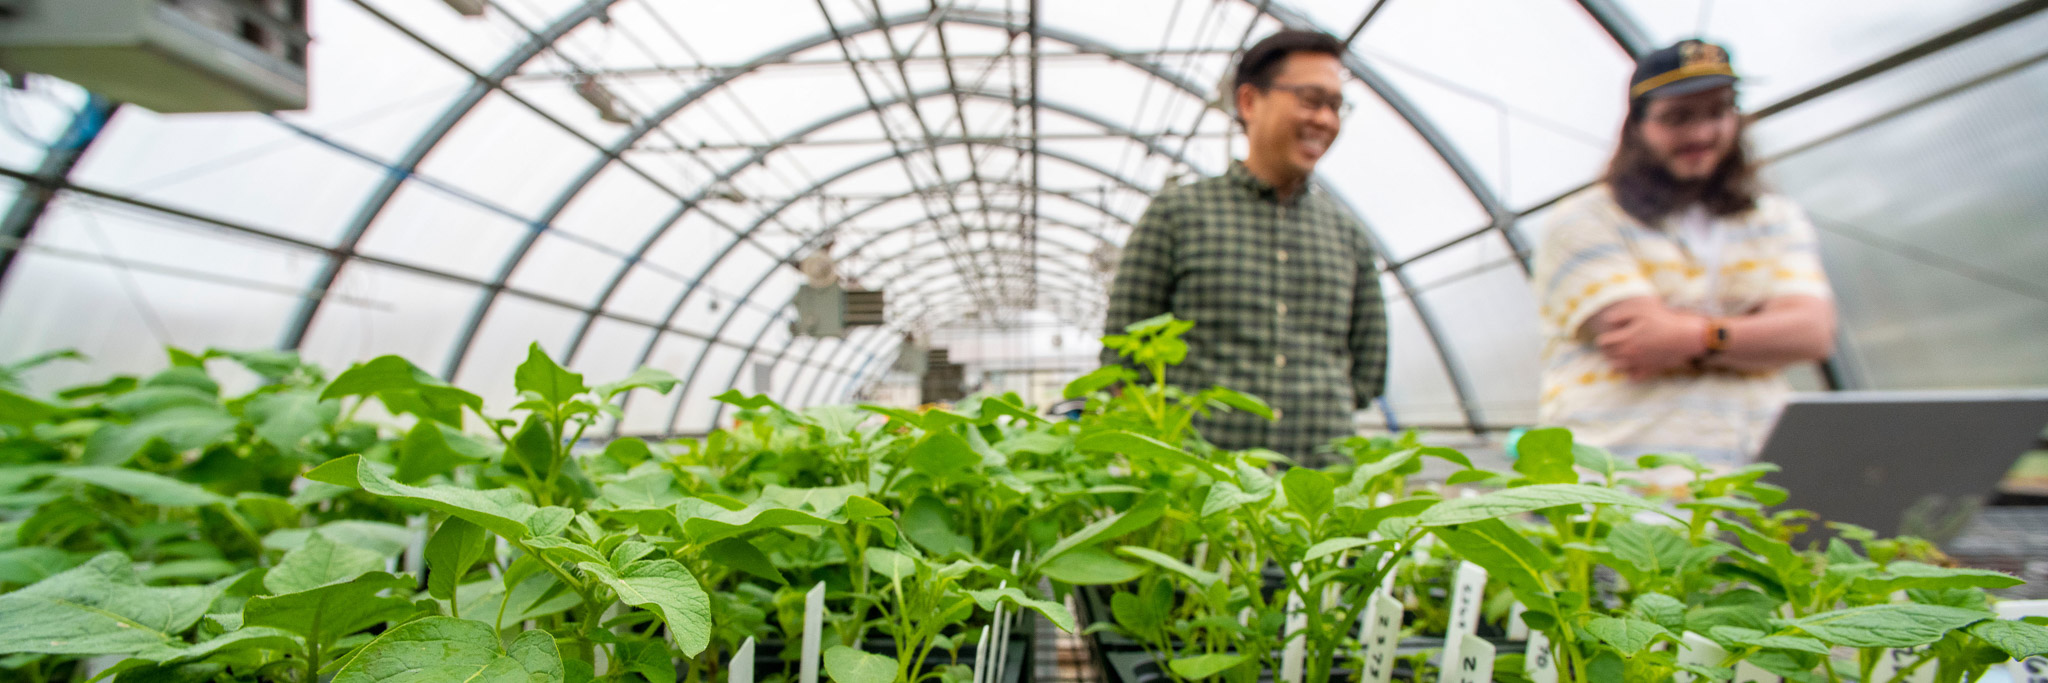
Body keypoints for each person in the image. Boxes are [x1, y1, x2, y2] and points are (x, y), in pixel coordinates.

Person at [1533, 39, 1838, 469]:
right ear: (1637, 126)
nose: (1701, 133)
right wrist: (1755, 332)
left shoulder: (1774, 217)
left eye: (1718, 112)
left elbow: (1811, 333)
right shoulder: (1584, 220)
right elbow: (1639, 341)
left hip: (1749, 477)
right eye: (1677, 118)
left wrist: (1691, 336)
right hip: (1621, 486)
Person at [1101, 29, 1387, 463]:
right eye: (1311, 100)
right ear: (1250, 102)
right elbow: (1122, 355)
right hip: (1203, 493)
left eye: (1335, 106)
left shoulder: (1347, 233)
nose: (1326, 120)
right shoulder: (1178, 215)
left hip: (1320, 491)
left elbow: (1369, 369)